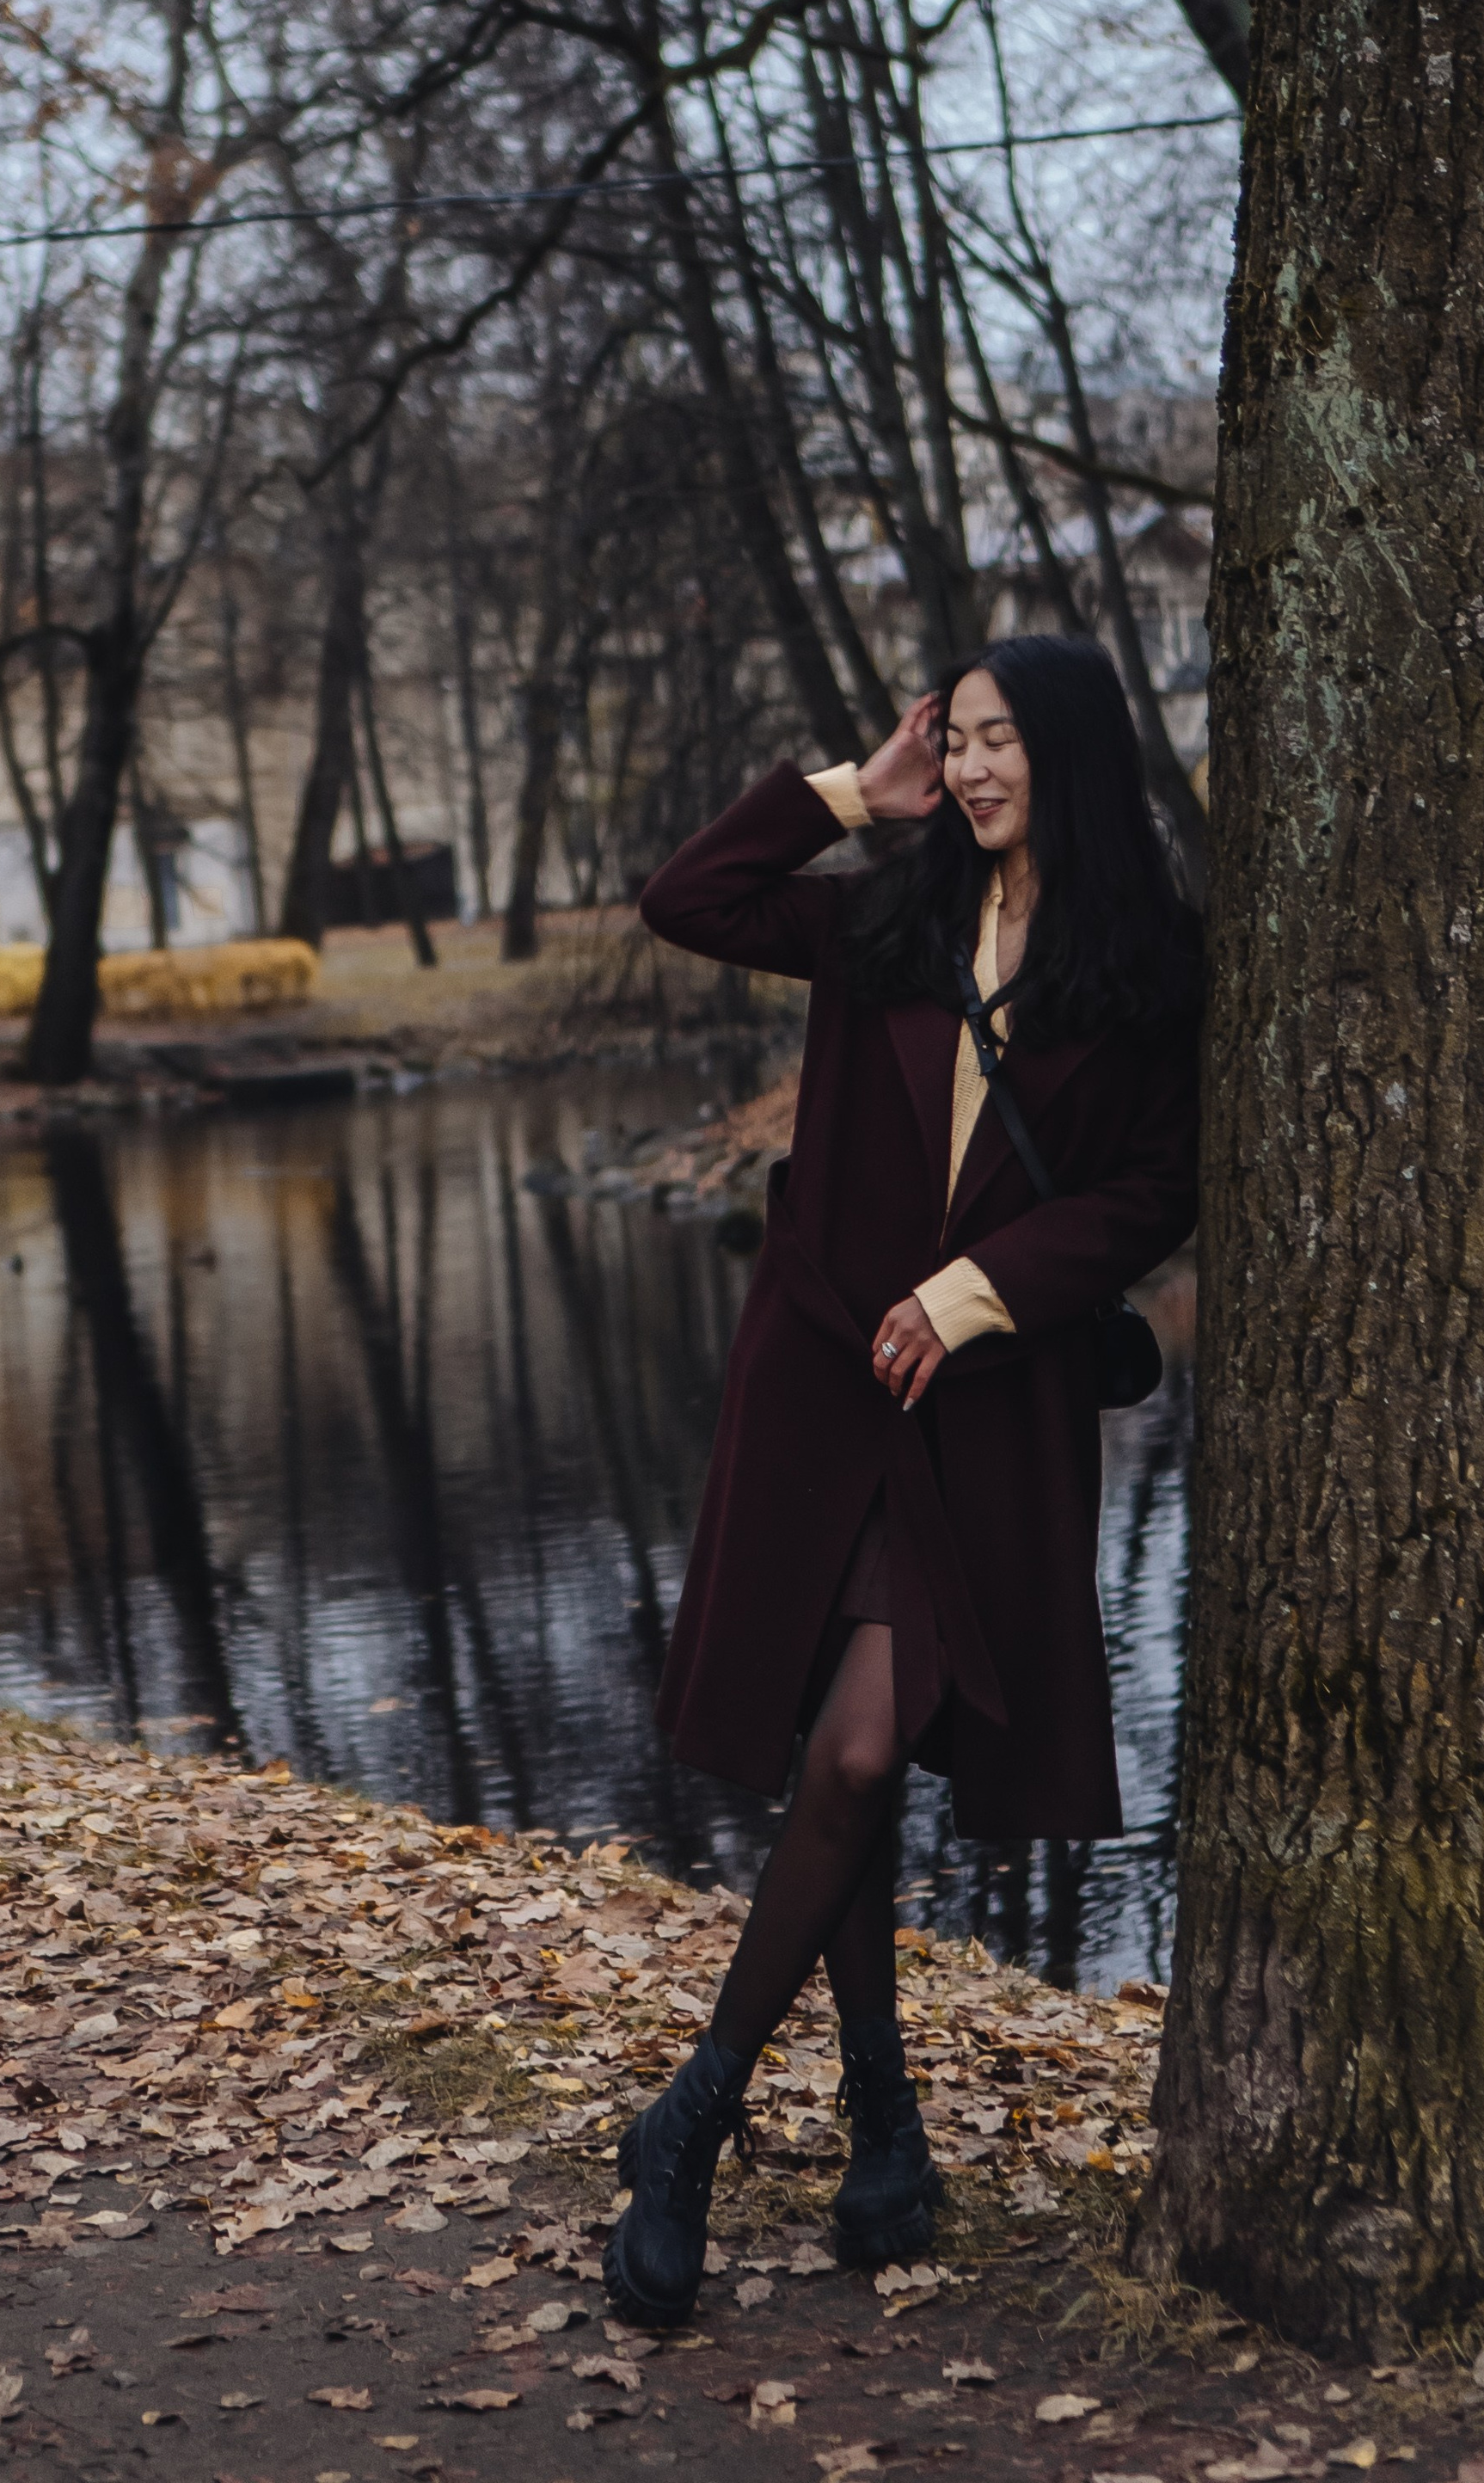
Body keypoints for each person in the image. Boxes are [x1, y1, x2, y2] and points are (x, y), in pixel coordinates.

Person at [603, 635, 1201, 2326]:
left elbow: (1153, 1192)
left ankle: (692, 2123)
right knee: (841, 1758)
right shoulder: (884, 914)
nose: (982, 767)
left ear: (1068, 758)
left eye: (1007, 740)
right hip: (819, 1389)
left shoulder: (1147, 964)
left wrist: (977, 1286)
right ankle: (874, 2122)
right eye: (965, 738)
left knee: (861, 1749)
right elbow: (685, 899)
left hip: (978, 1406)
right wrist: (838, 796)